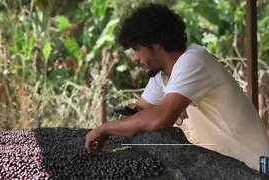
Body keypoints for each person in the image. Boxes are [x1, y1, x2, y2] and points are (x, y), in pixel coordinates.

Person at [84, 3, 269, 170]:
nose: (135, 58)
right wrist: (132, 117)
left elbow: (160, 118)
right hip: (218, 167)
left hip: (254, 167)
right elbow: (141, 111)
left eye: (137, 49)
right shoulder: (163, 75)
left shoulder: (193, 61)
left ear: (155, 42)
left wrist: (106, 128)